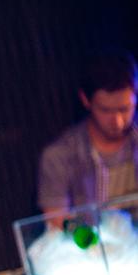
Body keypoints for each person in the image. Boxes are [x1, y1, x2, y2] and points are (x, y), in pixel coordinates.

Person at [38, 49, 138, 224]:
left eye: (125, 109)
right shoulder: (60, 155)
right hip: (95, 239)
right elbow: (57, 220)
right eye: (106, 110)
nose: (117, 121)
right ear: (85, 100)